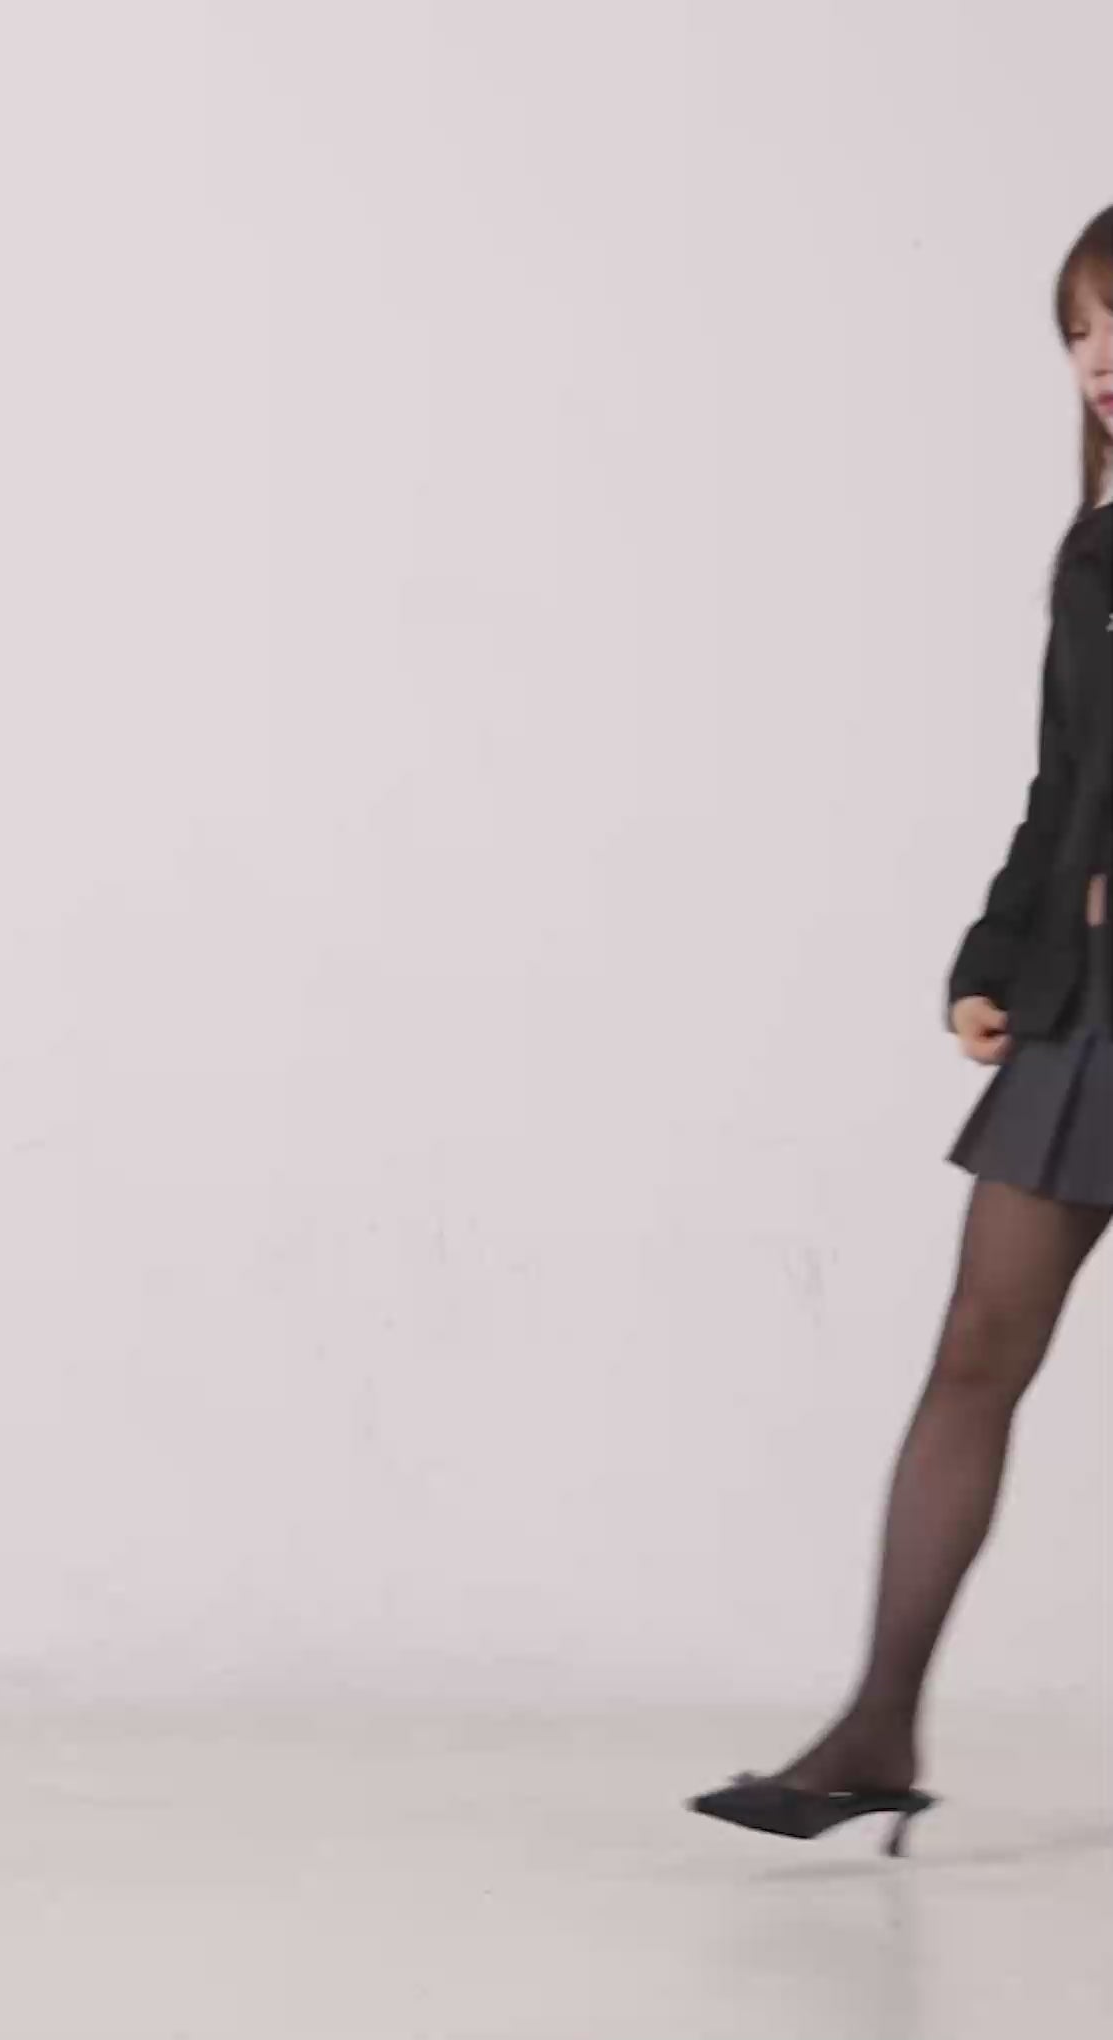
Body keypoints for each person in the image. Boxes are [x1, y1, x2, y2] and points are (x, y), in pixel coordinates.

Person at [688, 204, 1113, 1853]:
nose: (1098, 361)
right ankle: (874, 1730)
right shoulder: (1094, 554)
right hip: (1084, 1017)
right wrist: (994, 954)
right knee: (975, 1354)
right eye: (1077, 331)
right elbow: (1060, 792)